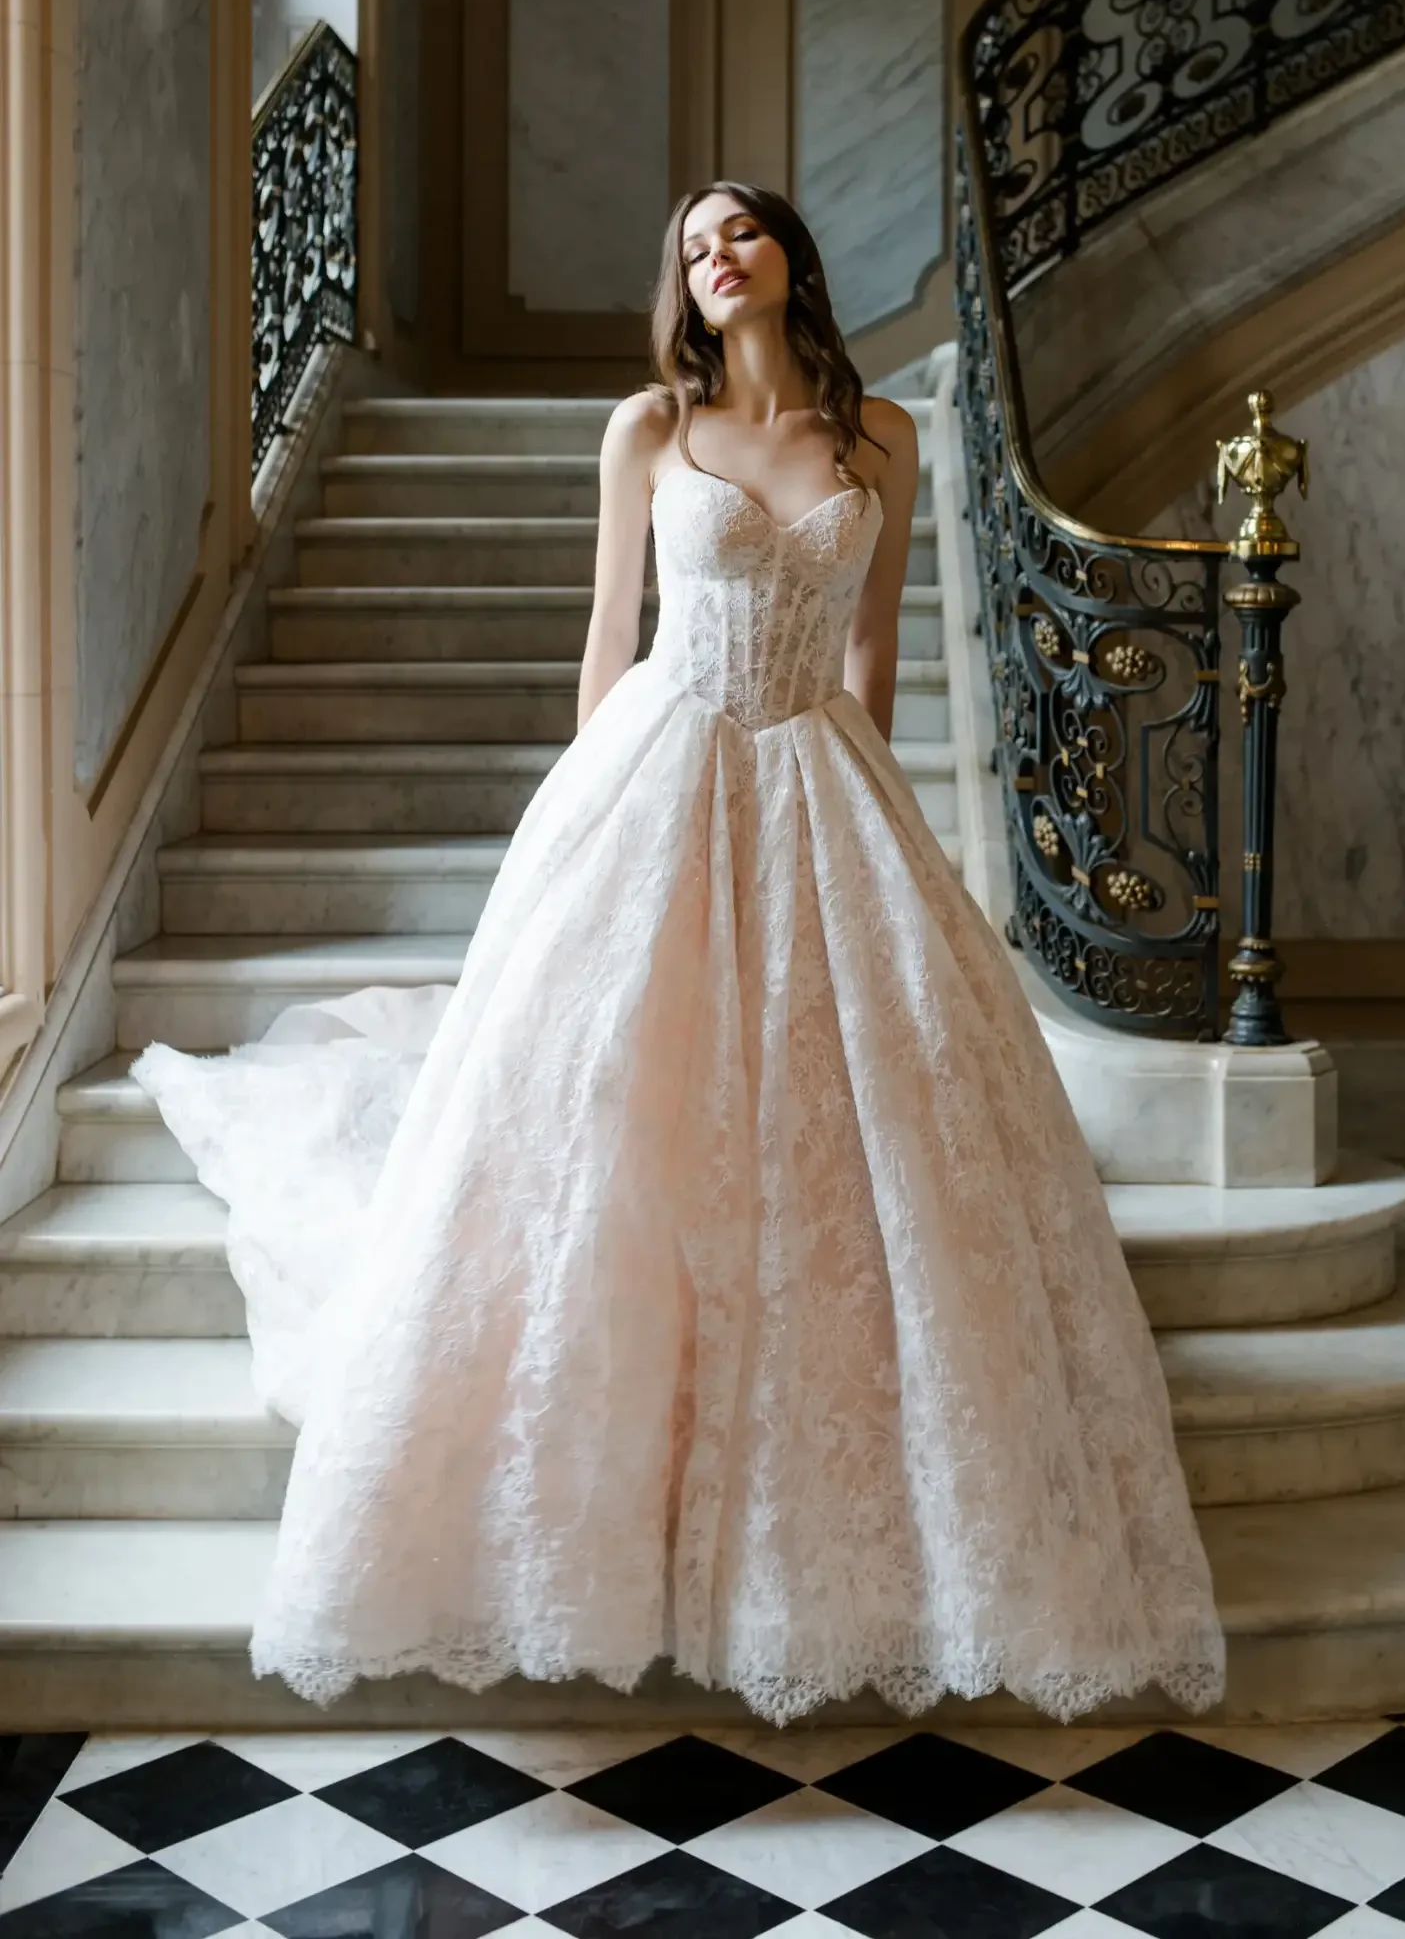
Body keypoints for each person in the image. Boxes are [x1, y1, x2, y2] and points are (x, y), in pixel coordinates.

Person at [132, 182, 1225, 1725]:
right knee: (612, 1122)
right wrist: (582, 827)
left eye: (741, 234)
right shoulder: (649, 430)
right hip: (664, 760)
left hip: (821, 773)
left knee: (861, 1137)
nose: (718, 260)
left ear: (790, 257)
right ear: (686, 284)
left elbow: (867, 651)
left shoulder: (887, 439)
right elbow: (610, 633)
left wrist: (881, 826)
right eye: (696, 247)